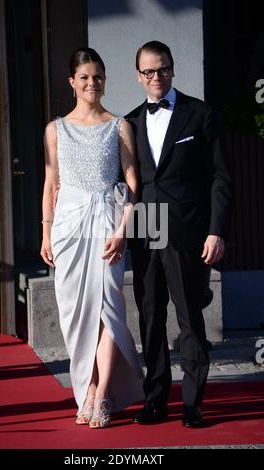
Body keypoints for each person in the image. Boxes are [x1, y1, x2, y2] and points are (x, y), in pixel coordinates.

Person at [125, 41, 232, 427]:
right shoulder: (130, 121)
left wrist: (215, 230)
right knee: (150, 317)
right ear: (138, 76)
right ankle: (155, 399)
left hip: (187, 226)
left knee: (189, 316)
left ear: (173, 69)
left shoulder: (200, 114)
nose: (157, 77)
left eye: (164, 69)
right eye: (149, 71)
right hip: (145, 222)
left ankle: (193, 402)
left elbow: (221, 178)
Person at [40, 47, 144, 429]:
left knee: (109, 311)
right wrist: (46, 231)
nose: (91, 83)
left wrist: (124, 229)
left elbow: (132, 184)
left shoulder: (119, 126)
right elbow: (50, 183)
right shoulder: (55, 129)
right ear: (72, 82)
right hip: (67, 228)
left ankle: (99, 395)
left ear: (105, 80)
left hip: (107, 225)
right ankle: (87, 385)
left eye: (97, 77)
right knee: (75, 315)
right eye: (84, 77)